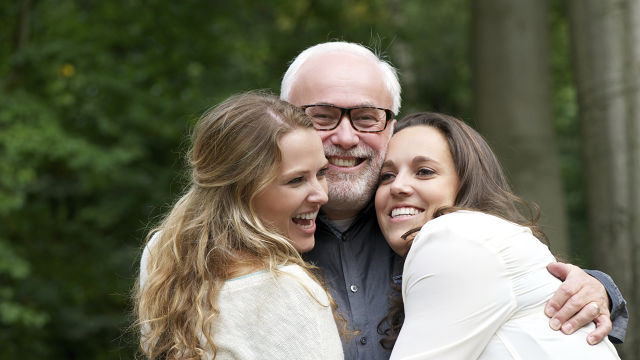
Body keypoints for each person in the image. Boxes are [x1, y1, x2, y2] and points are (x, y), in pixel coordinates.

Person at [280, 41, 627, 360]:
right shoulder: (251, 235)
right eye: (321, 116)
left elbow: (510, 278)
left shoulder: (425, 225)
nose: (344, 136)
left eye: (366, 117)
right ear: (282, 123)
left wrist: (597, 289)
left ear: (389, 127)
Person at [375, 112, 620, 359]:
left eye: (424, 171)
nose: (397, 186)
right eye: (386, 176)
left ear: (466, 182)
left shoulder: (453, 235)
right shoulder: (486, 240)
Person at [134, 92, 344, 359]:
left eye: (321, 173)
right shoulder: (288, 290)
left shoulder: (164, 251)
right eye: (296, 180)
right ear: (240, 190)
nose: (322, 195)